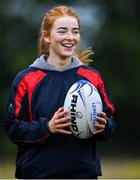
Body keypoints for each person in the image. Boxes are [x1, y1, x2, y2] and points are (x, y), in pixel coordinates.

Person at [4, 5, 116, 179]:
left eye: (75, 32)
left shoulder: (92, 78)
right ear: (47, 36)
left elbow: (111, 122)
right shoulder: (26, 79)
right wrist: (47, 127)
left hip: (82, 173)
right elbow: (12, 128)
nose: (70, 37)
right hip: (37, 174)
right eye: (62, 31)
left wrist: (104, 126)